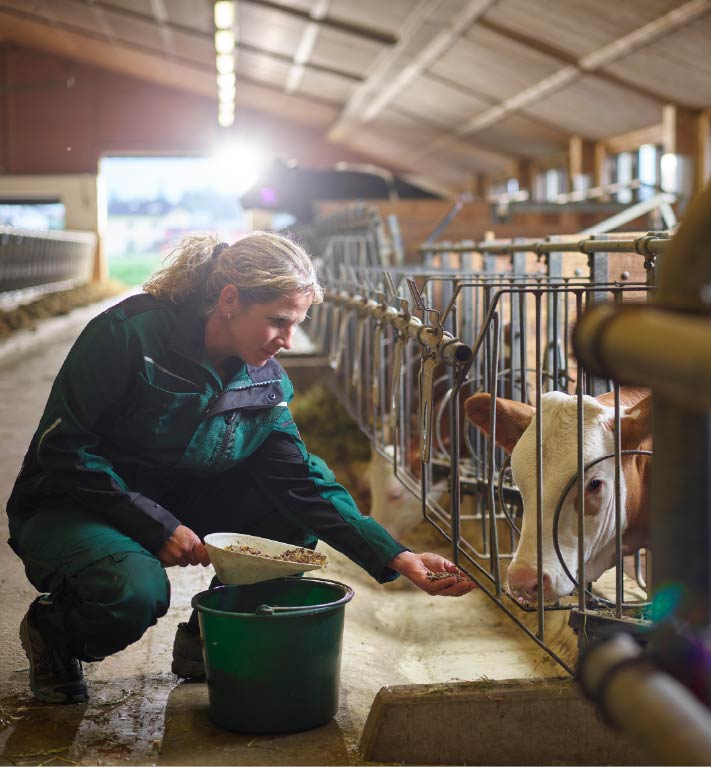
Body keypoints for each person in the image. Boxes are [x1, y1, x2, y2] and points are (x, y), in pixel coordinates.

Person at [6, 231, 475, 705]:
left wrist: (397, 556)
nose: (287, 341)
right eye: (277, 321)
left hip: (175, 497)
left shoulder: (265, 378)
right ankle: (53, 632)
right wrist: (156, 526)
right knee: (133, 594)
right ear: (229, 300)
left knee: (289, 523)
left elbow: (302, 481)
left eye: (296, 324)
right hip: (74, 503)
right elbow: (64, 449)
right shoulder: (129, 336)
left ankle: (206, 640)